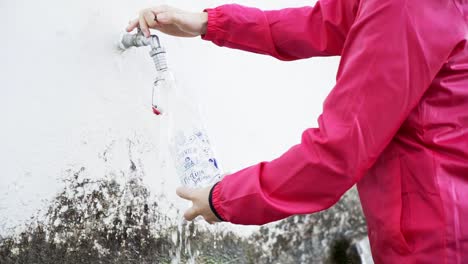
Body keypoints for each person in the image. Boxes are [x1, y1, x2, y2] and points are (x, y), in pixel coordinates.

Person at [126, 1, 468, 263]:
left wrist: (224, 198)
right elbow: (324, 23)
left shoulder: (406, 8)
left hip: (435, 236)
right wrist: (210, 22)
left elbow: (337, 153)